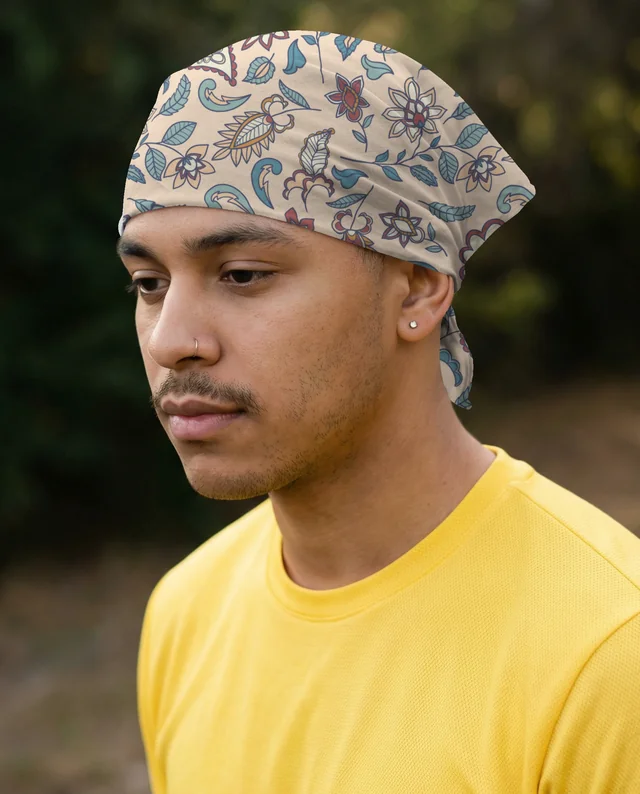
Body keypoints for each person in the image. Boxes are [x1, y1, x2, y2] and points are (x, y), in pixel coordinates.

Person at [116, 30, 640, 793]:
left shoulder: (606, 655)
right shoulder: (185, 615)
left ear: (420, 288)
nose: (171, 341)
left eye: (241, 274)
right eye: (148, 282)